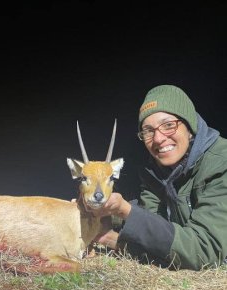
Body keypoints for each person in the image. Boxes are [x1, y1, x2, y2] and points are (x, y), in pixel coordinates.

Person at [94, 84, 227, 270]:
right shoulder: (156, 172)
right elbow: (158, 237)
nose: (158, 138)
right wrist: (107, 213)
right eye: (148, 131)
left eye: (168, 125)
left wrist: (125, 213)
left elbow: (204, 251)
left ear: (190, 127)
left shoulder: (221, 164)